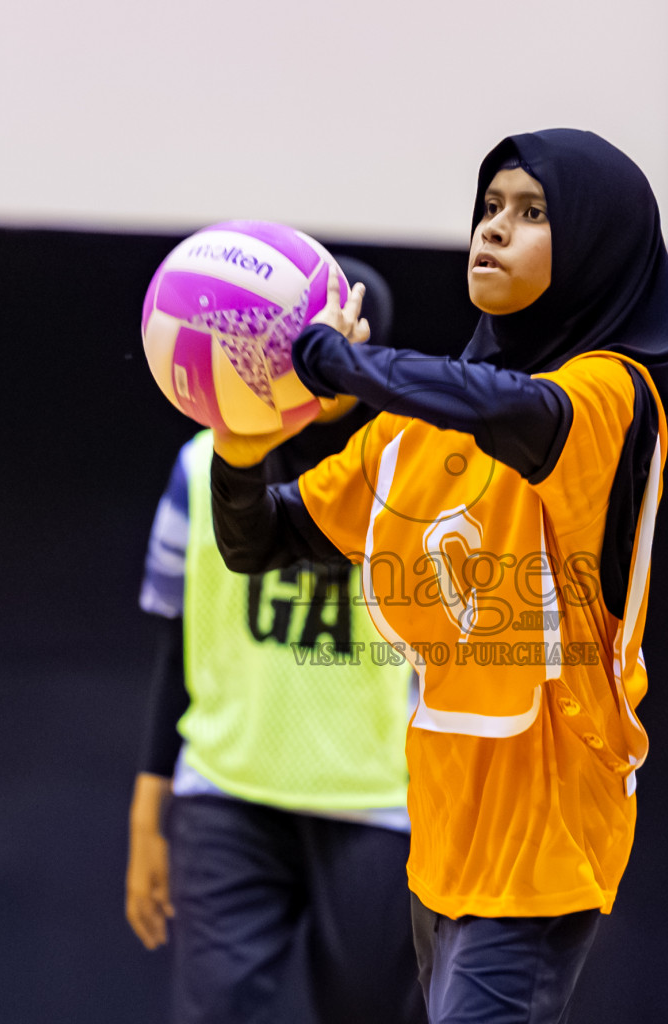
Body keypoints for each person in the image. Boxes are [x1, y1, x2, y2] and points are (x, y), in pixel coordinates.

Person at [209, 130, 668, 1023]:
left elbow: (515, 407)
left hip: (547, 831)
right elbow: (262, 539)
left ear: (594, 248)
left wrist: (339, 364)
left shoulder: (613, 395)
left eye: (533, 214)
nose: (495, 231)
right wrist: (239, 449)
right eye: (490, 207)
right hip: (445, 824)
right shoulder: (412, 426)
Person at [124, 258, 423, 1024]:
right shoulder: (201, 465)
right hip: (226, 791)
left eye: (341, 346)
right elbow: (176, 644)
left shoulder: (419, 479)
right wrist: (146, 813)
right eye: (305, 343)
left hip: (377, 800)